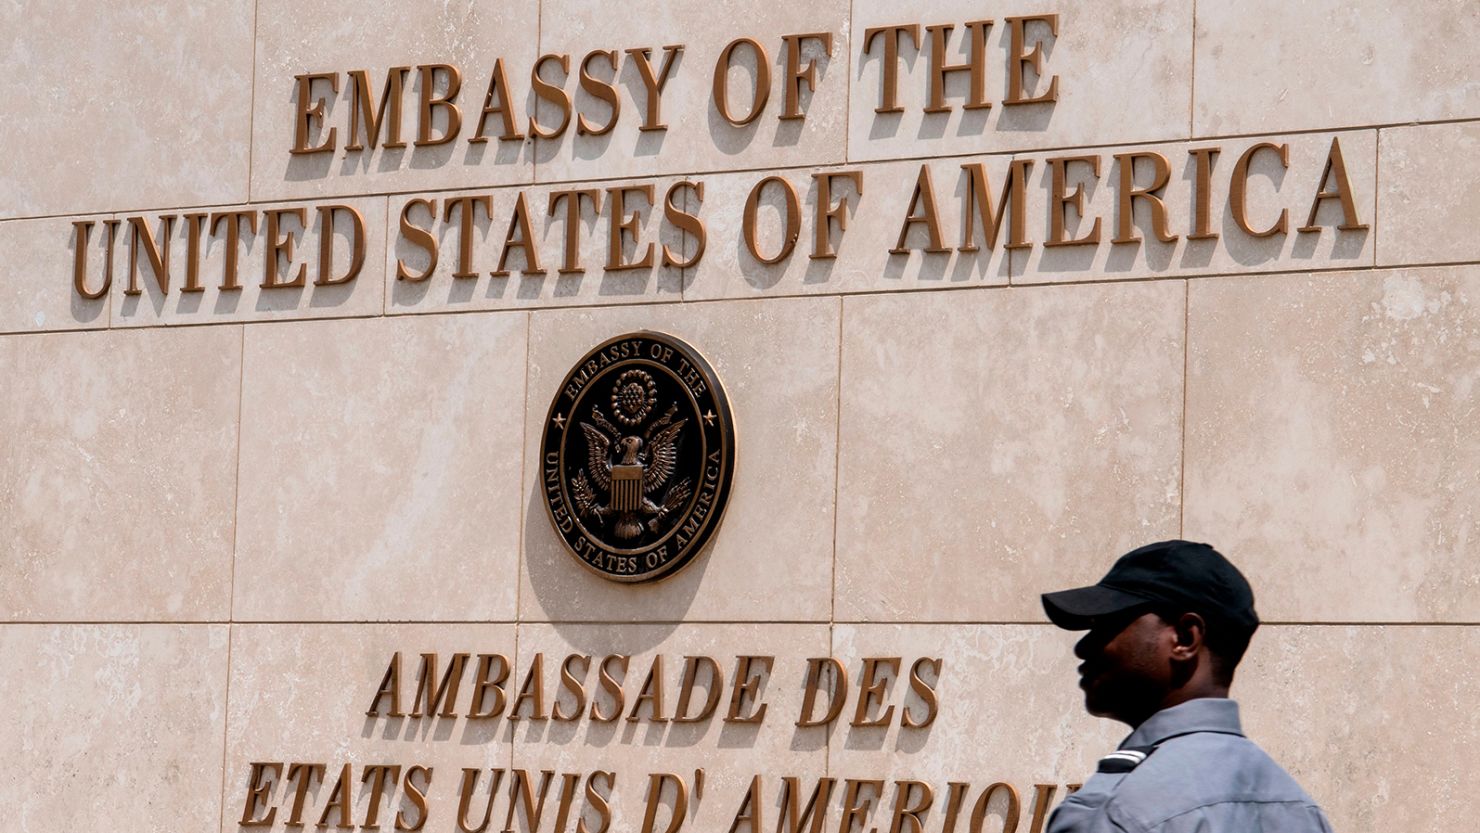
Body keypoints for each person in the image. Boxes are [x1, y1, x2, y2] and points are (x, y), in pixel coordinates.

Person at [1040, 540, 1334, 833]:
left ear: (1184, 638)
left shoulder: (1115, 813)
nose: (1083, 646)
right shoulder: (1300, 811)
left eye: (1108, 625)